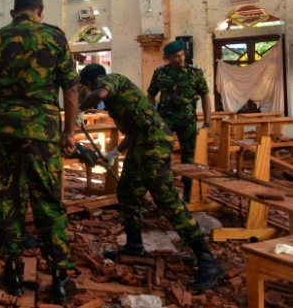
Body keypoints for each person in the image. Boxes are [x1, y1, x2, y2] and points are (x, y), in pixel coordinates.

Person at [0, 0, 79, 305]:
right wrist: (69, 132)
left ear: (13, 13)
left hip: (2, 129)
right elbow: (71, 89)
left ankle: (13, 272)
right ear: (40, 11)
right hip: (43, 130)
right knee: (47, 201)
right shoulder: (55, 37)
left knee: (7, 200)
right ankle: (60, 279)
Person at [77, 63, 223, 291]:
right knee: (127, 192)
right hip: (142, 142)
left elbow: (99, 93)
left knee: (166, 199)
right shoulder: (117, 99)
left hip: (154, 142)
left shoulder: (112, 80)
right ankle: (134, 246)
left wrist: (79, 109)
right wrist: (115, 152)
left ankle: (207, 260)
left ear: (89, 83)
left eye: (86, 88)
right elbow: (135, 130)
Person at [147, 40, 211, 202]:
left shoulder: (195, 72)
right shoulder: (160, 73)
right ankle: (165, 193)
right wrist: (152, 116)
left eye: (182, 55)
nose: (181, 59)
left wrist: (207, 122)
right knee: (162, 155)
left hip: (187, 119)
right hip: (165, 119)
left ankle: (189, 193)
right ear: (167, 57)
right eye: (176, 56)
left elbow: (205, 96)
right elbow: (150, 94)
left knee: (188, 157)